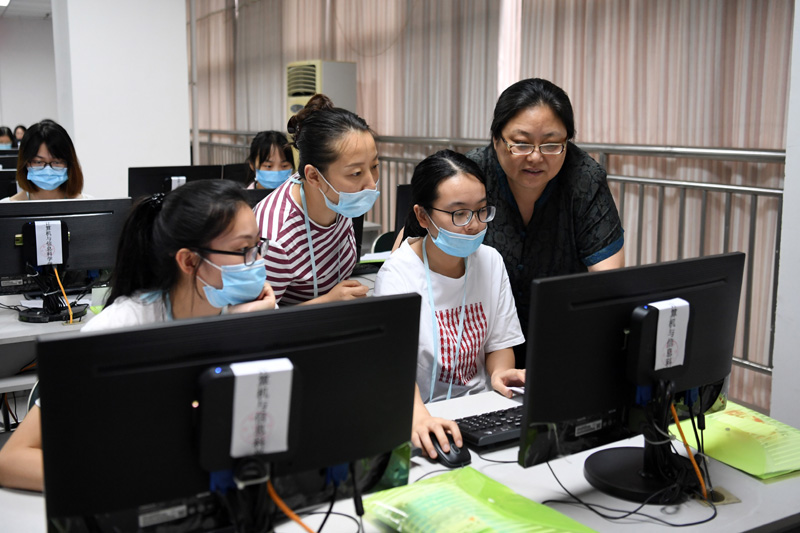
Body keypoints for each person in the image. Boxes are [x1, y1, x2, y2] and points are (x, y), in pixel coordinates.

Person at [0, 180, 277, 492]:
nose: (257, 261)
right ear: (188, 261)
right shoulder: (116, 331)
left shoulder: (235, 313)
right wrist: (131, 480)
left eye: (258, 246)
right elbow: (11, 460)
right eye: (243, 250)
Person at [374, 150, 525, 461]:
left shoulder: (490, 261)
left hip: (480, 410)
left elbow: (500, 343)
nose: (473, 225)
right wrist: (419, 418)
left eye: (482, 211)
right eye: (459, 214)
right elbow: (394, 369)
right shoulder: (397, 275)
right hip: (422, 413)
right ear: (422, 216)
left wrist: (500, 374)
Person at [465, 78, 625, 368]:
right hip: (477, 346)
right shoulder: (471, 173)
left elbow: (607, 285)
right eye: (522, 144)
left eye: (552, 144)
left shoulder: (584, 178)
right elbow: (411, 249)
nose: (536, 157)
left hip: (561, 344)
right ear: (496, 139)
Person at [253, 94, 378, 305]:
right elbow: (258, 322)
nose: (371, 184)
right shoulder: (276, 239)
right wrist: (328, 301)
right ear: (313, 176)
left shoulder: (334, 198)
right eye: (356, 173)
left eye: (374, 167)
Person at [1, 119, 89, 202]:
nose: (48, 170)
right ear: (25, 164)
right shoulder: (5, 209)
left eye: (57, 162)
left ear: (69, 164)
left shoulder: (89, 206)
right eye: (38, 162)